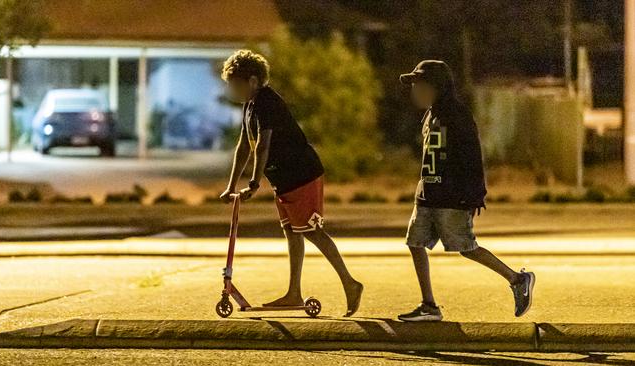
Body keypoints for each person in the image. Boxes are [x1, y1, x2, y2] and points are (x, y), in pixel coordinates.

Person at [219, 50, 364, 317]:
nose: (232, 90)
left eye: (235, 84)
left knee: (311, 231)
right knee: (292, 232)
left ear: (252, 80)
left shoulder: (266, 102)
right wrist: (231, 185)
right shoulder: (250, 105)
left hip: (301, 173)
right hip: (283, 177)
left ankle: (350, 283)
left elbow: (263, 145)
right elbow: (244, 146)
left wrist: (253, 182)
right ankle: (294, 293)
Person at [397, 60, 535, 322]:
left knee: (467, 248)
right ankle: (429, 306)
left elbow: (472, 157)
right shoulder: (430, 115)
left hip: (451, 197)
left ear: (437, 87)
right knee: (414, 243)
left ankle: (517, 279)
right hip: (427, 195)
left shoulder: (457, 116)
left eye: (420, 85)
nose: (415, 91)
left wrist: (473, 196)